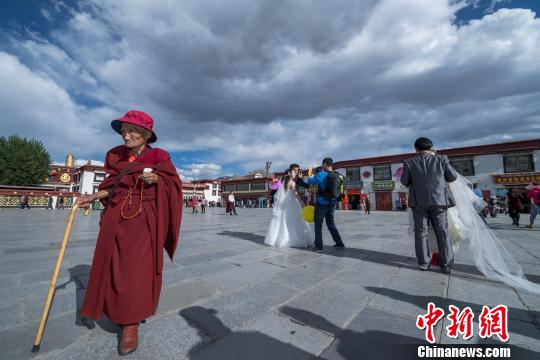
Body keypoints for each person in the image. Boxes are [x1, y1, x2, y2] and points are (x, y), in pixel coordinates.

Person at [75, 110, 182, 356]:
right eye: (124, 131)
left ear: (146, 134)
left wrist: (157, 179)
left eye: (132, 131)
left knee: (134, 268)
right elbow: (112, 186)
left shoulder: (158, 156)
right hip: (115, 217)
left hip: (143, 220)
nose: (126, 135)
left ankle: (131, 322)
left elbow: (173, 183)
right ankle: (113, 307)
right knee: (113, 264)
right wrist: (91, 196)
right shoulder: (116, 156)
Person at [400, 137, 457, 274]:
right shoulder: (442, 159)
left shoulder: (409, 162)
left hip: (419, 202)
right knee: (442, 232)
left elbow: (404, 181)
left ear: (416, 149)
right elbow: (452, 177)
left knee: (421, 232)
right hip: (439, 201)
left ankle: (424, 263)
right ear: (430, 147)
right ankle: (446, 264)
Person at [296, 158, 345, 253]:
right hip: (333, 203)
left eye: (323, 164)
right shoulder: (338, 175)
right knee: (331, 223)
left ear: (325, 164)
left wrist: (303, 177)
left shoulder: (321, 174)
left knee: (318, 225)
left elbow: (310, 182)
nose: (322, 166)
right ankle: (339, 243)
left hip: (322, 203)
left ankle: (318, 246)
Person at [265, 164, 312, 248]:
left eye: (297, 171)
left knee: (282, 221)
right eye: (295, 171)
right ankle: (291, 238)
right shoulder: (292, 182)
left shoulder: (283, 181)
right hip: (292, 203)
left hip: (284, 204)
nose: (296, 173)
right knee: (294, 221)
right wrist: (301, 202)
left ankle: (278, 239)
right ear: (291, 172)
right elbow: (295, 194)